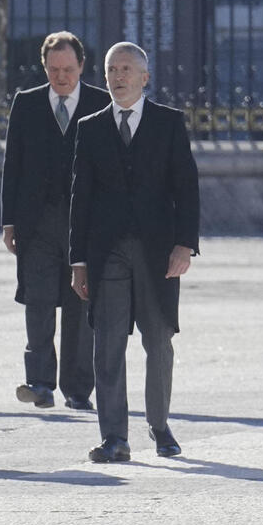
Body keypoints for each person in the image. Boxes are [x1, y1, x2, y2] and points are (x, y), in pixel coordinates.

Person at [70, 42, 199, 463]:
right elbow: (81, 197)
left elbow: (187, 189)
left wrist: (185, 245)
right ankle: (114, 437)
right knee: (106, 344)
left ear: (145, 77)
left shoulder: (168, 123)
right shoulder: (90, 127)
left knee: (158, 340)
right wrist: (79, 261)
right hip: (106, 253)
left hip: (158, 252)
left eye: (126, 69)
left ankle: (159, 425)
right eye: (111, 70)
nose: (118, 77)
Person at [0, 31, 111, 412]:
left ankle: (78, 389)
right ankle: (40, 382)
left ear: (82, 66)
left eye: (67, 69)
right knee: (38, 300)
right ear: (44, 67)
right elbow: (12, 163)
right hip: (37, 222)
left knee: (81, 300)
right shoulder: (27, 103)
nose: (60, 76)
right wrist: (9, 221)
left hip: (86, 222)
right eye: (53, 69)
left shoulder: (101, 102)